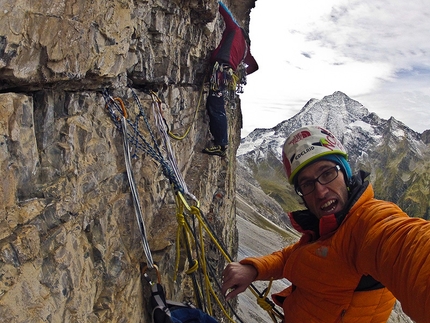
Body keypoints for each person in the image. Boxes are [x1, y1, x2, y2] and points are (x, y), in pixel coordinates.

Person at [221, 125, 430, 323]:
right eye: (308, 184)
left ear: (346, 174)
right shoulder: (328, 229)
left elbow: (408, 247)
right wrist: (255, 269)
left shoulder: (368, 222)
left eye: (328, 173)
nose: (320, 191)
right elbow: (297, 255)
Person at [202, 1, 259, 157]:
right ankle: (221, 142)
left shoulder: (235, 30)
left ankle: (221, 144)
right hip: (227, 75)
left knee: (216, 106)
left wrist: (218, 2)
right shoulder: (245, 50)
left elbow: (226, 14)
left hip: (220, 70)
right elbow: (254, 67)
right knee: (217, 105)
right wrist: (240, 75)